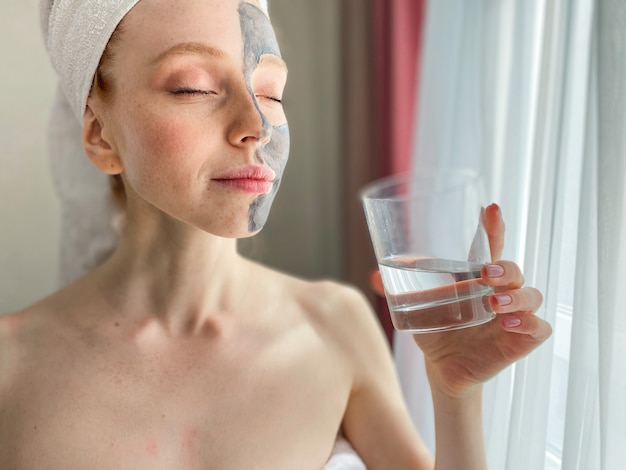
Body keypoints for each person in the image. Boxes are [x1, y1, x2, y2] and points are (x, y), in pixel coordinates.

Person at [0, 0, 552, 468]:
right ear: (100, 137)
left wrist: (455, 394)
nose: (256, 125)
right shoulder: (11, 368)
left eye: (271, 92)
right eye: (193, 88)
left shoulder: (336, 325)